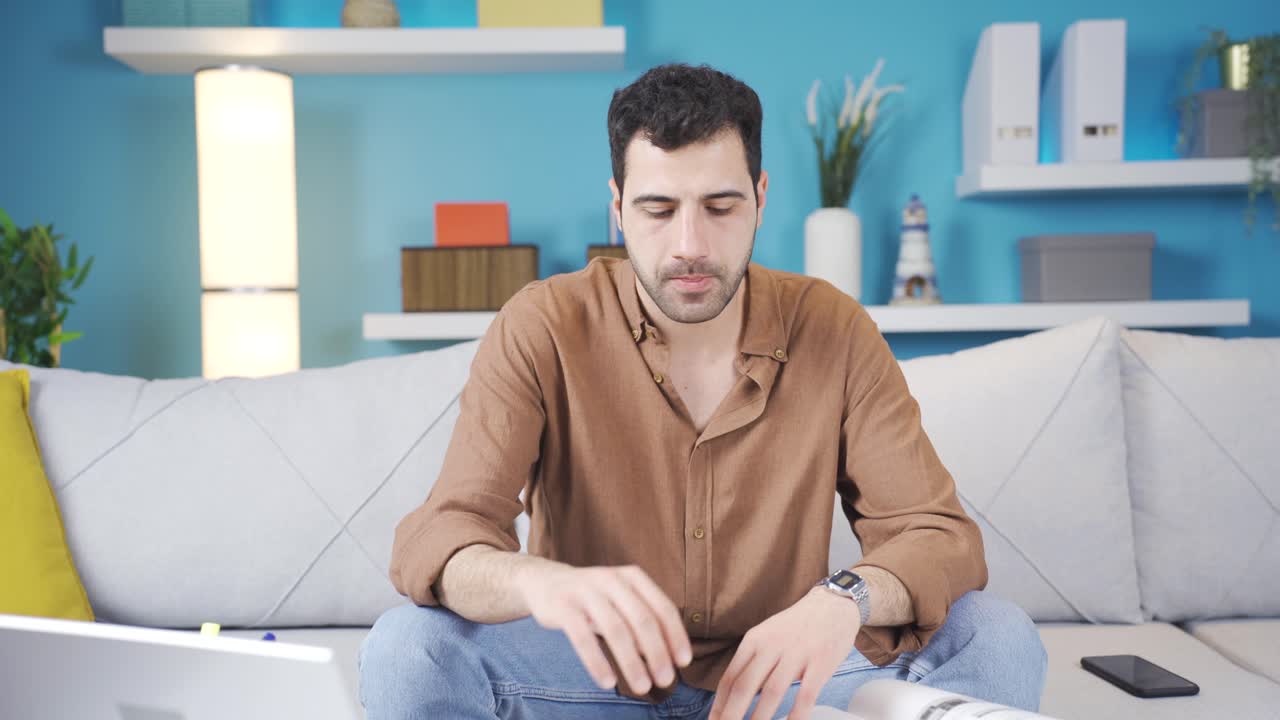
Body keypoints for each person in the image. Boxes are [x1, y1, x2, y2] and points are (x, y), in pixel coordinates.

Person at [359, 63, 1047, 720]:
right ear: (618, 209)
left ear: (761, 198)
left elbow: (939, 535)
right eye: (659, 209)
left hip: (780, 685)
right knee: (404, 649)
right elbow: (444, 535)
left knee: (996, 634)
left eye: (720, 206)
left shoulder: (834, 328)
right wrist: (539, 581)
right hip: (588, 681)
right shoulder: (543, 324)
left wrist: (844, 599)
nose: (690, 244)